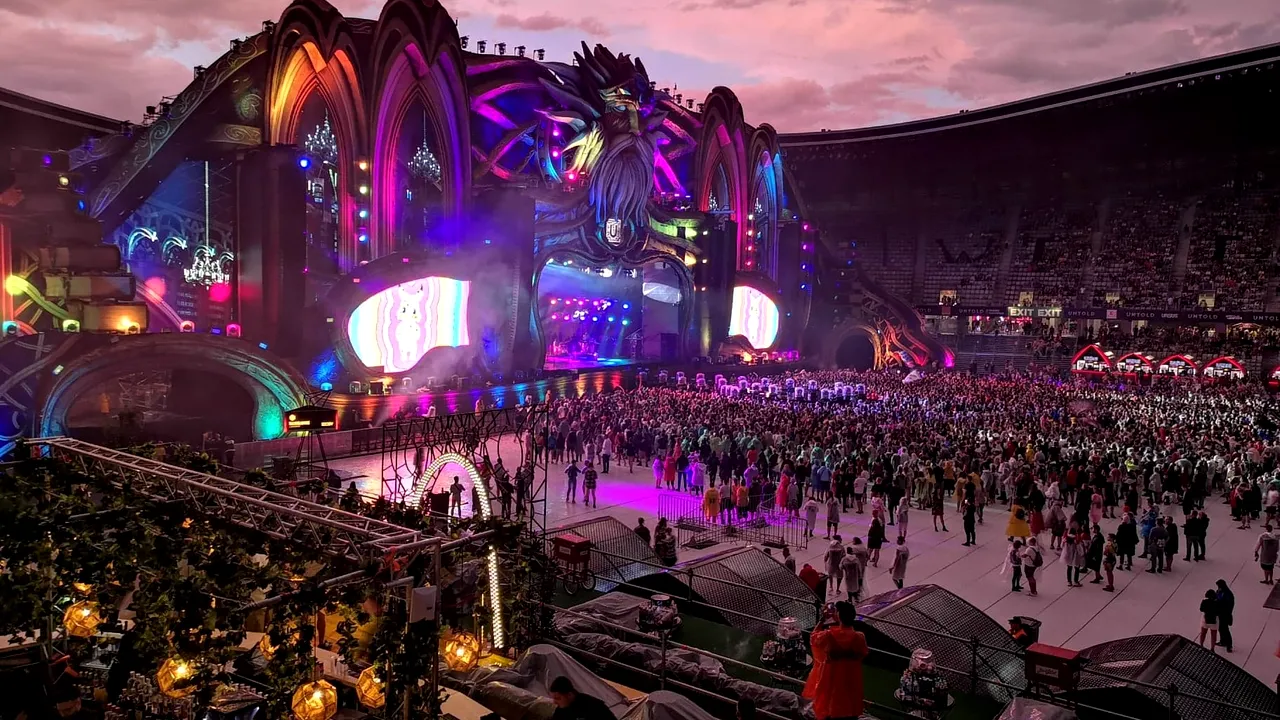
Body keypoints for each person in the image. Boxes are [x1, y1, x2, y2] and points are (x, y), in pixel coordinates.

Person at [802, 601, 868, 720]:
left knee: (830, 708)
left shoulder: (828, 636)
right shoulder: (859, 637)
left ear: (838, 615)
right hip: (851, 680)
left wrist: (823, 619)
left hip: (831, 680)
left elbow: (813, 638)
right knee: (849, 708)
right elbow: (862, 654)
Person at [549, 676, 614, 720]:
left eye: (558, 698)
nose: (555, 702)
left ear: (569, 695)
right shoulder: (560, 710)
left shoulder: (593, 706)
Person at [1215, 579, 1235, 652]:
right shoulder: (1218, 591)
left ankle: (1229, 645)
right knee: (1220, 628)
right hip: (1219, 613)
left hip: (1225, 614)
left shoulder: (1228, 594)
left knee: (1225, 630)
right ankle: (1222, 641)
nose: (1218, 588)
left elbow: (1230, 605)